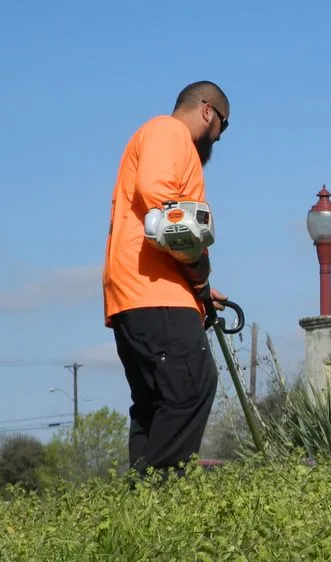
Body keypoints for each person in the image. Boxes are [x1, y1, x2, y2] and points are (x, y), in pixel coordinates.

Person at [102, 80, 231, 479]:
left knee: (155, 404)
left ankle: (139, 515)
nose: (219, 137)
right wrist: (198, 273)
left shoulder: (157, 137)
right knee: (192, 386)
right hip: (155, 292)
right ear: (207, 110)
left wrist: (202, 291)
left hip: (136, 294)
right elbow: (164, 207)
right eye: (223, 126)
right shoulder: (168, 131)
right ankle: (160, 498)